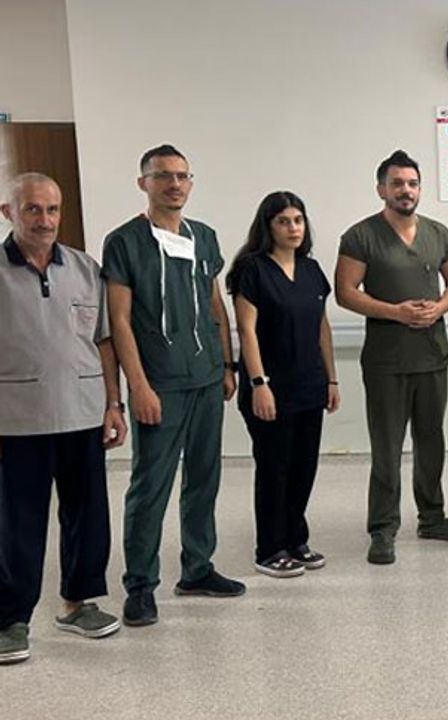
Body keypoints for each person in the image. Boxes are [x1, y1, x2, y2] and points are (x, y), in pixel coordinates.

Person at [102, 145, 244, 627]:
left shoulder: (203, 237)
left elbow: (215, 305)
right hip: (159, 383)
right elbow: (120, 321)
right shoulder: (124, 242)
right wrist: (138, 387)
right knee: (151, 486)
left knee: (204, 478)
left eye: (182, 176)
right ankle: (140, 585)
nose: (174, 184)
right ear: (143, 183)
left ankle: (198, 568)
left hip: (206, 377)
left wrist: (227, 363)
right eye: (163, 176)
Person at [0, 174, 129, 664]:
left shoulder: (83, 267)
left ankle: (79, 603)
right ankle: (11, 619)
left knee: (87, 514)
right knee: (17, 523)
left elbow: (103, 341)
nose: (44, 220)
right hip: (17, 420)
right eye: (32, 209)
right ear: (8, 213)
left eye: (52, 209)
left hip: (82, 413)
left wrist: (113, 404)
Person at [335, 150, 448, 564]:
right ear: (382, 189)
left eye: (412, 184)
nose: (405, 190)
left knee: (431, 442)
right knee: (387, 447)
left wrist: (439, 308)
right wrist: (396, 312)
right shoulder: (361, 236)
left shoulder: (438, 233)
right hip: (386, 362)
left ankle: (433, 517)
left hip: (432, 355)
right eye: (397, 183)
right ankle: (383, 528)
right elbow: (345, 293)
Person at [227, 192, 340, 578]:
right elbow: (247, 330)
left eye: (298, 220)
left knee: (303, 467)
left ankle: (295, 539)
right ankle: (270, 548)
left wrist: (331, 377)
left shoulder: (311, 270)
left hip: (309, 384)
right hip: (270, 387)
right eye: (283, 221)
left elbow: (321, 327)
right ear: (268, 226)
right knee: (275, 467)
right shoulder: (252, 269)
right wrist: (259, 382)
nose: (293, 228)